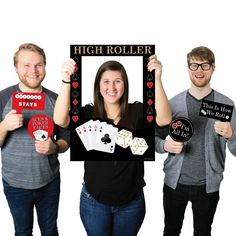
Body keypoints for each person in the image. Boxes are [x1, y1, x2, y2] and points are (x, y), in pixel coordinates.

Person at [53, 54, 171, 236]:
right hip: (93, 201)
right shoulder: (87, 113)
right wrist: (66, 81)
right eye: (106, 82)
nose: (112, 87)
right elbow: (60, 120)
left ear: (125, 85)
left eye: (118, 81)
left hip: (131, 201)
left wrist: (156, 79)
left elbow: (164, 119)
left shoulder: (138, 111)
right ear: (98, 86)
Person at [155, 46, 236, 236]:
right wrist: (164, 145)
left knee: (203, 232)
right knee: (171, 230)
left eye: (205, 65)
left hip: (208, 186)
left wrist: (231, 136)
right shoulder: (173, 104)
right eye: (194, 65)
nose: (199, 70)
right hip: (175, 184)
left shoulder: (227, 105)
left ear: (213, 69)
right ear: (188, 68)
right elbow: (154, 137)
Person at [0, 43, 70, 236]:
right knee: (22, 232)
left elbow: (66, 139)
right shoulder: (3, 97)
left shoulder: (57, 99)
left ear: (45, 67)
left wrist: (54, 146)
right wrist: (4, 126)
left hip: (49, 182)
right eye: (26, 65)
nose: (33, 70)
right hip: (15, 184)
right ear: (16, 67)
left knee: (49, 231)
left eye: (39, 65)